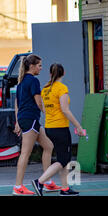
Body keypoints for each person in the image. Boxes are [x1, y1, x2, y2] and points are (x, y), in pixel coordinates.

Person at [31, 63, 85, 196]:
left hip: (49, 127)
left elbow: (43, 107)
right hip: (60, 128)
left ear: (50, 74)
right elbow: (65, 110)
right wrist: (78, 126)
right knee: (63, 159)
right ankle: (40, 181)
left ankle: (65, 188)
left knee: (63, 158)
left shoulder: (45, 89)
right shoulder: (61, 88)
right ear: (64, 73)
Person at [13, 54, 57, 195]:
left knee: (48, 146)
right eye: (39, 65)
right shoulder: (33, 81)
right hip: (30, 119)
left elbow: (17, 104)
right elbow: (38, 102)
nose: (41, 68)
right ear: (32, 66)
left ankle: (47, 182)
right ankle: (18, 187)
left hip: (28, 119)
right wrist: (47, 113)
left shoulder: (21, 82)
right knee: (25, 153)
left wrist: (18, 121)